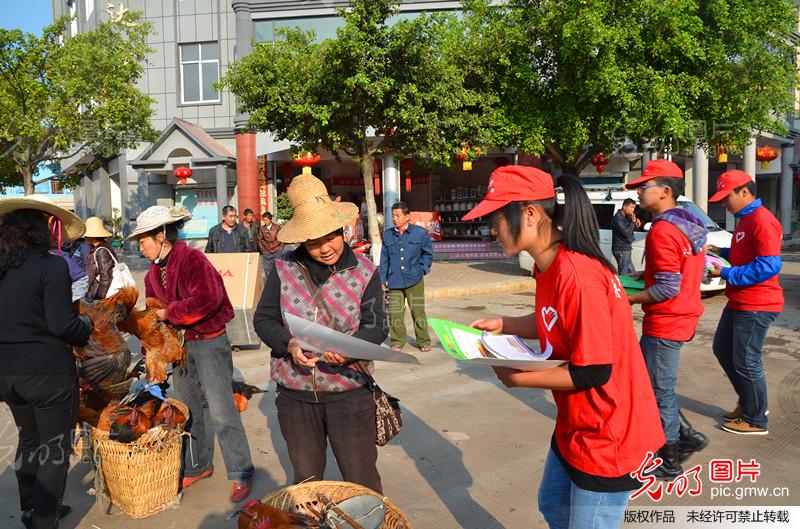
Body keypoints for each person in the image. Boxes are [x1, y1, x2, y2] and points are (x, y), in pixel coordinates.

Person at [466, 166, 663, 529]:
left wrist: (517, 379)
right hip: (577, 424)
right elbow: (551, 318)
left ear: (529, 213)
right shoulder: (549, 267)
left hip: (608, 434)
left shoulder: (578, 275)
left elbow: (593, 370)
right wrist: (505, 324)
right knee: (553, 506)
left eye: (496, 217)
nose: (491, 228)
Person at [253, 173, 388, 493]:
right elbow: (265, 318)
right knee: (307, 483)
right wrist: (288, 343)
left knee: (361, 481)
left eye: (330, 237)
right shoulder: (283, 268)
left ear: (341, 230)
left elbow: (377, 326)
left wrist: (351, 348)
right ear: (302, 240)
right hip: (295, 397)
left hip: (349, 395)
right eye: (313, 242)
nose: (325, 248)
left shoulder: (364, 270)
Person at [127, 205, 255, 502]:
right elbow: (153, 315)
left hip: (209, 341)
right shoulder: (151, 275)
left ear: (161, 236)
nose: (141, 248)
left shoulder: (192, 258)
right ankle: (199, 466)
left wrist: (168, 312)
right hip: (179, 349)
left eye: (143, 241)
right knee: (187, 410)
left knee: (223, 410)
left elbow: (208, 299)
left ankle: (241, 471)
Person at [0, 196, 93, 529]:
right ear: (40, 230)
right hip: (47, 372)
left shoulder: (2, 267)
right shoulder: (51, 265)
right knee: (54, 449)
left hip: (7, 373)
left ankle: (32, 507)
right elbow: (61, 325)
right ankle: (43, 520)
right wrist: (85, 328)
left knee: (28, 439)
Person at [625, 159, 709, 476]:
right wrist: (645, 273)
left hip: (666, 322)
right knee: (659, 387)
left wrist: (629, 299)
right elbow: (681, 271)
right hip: (683, 318)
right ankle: (688, 437)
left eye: (643, 187)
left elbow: (667, 288)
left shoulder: (662, 230)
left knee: (657, 392)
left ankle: (671, 458)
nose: (638, 193)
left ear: (664, 191)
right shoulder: (687, 222)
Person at [706, 170, 783, 435]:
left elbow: (769, 265)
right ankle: (750, 402)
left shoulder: (761, 220)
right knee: (723, 349)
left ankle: (756, 419)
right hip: (739, 300)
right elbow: (744, 252)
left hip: (757, 303)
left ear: (744, 192)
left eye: (726, 198)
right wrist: (720, 252)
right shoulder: (745, 221)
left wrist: (726, 273)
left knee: (747, 360)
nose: (723, 204)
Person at [379, 202, 433, 352]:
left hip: (414, 279)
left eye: (398, 215)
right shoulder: (388, 234)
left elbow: (428, 254)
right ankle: (397, 341)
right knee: (395, 312)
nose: (395, 219)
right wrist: (382, 279)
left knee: (418, 311)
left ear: (407, 216)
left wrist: (423, 269)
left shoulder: (420, 233)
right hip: (394, 280)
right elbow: (384, 259)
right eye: (393, 216)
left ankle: (423, 341)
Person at [84, 216, 116, 301]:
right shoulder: (97, 248)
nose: (85, 237)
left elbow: (105, 276)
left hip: (102, 296)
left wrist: (100, 298)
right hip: (95, 293)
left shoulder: (101, 250)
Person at [611, 198, 640, 275]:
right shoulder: (618, 218)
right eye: (631, 207)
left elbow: (630, 229)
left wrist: (635, 221)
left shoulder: (626, 217)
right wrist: (633, 222)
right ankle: (621, 286)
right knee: (623, 272)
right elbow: (626, 232)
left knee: (632, 272)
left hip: (625, 248)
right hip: (621, 249)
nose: (633, 210)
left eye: (634, 208)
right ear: (624, 207)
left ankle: (632, 285)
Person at [256, 211, 283, 277]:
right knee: (267, 268)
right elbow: (259, 239)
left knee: (278, 267)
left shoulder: (277, 227)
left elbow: (282, 238)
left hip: (277, 249)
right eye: (264, 220)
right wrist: (262, 249)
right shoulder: (262, 229)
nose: (265, 221)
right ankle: (268, 282)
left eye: (266, 220)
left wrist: (280, 248)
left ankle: (278, 282)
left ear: (270, 219)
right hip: (266, 250)